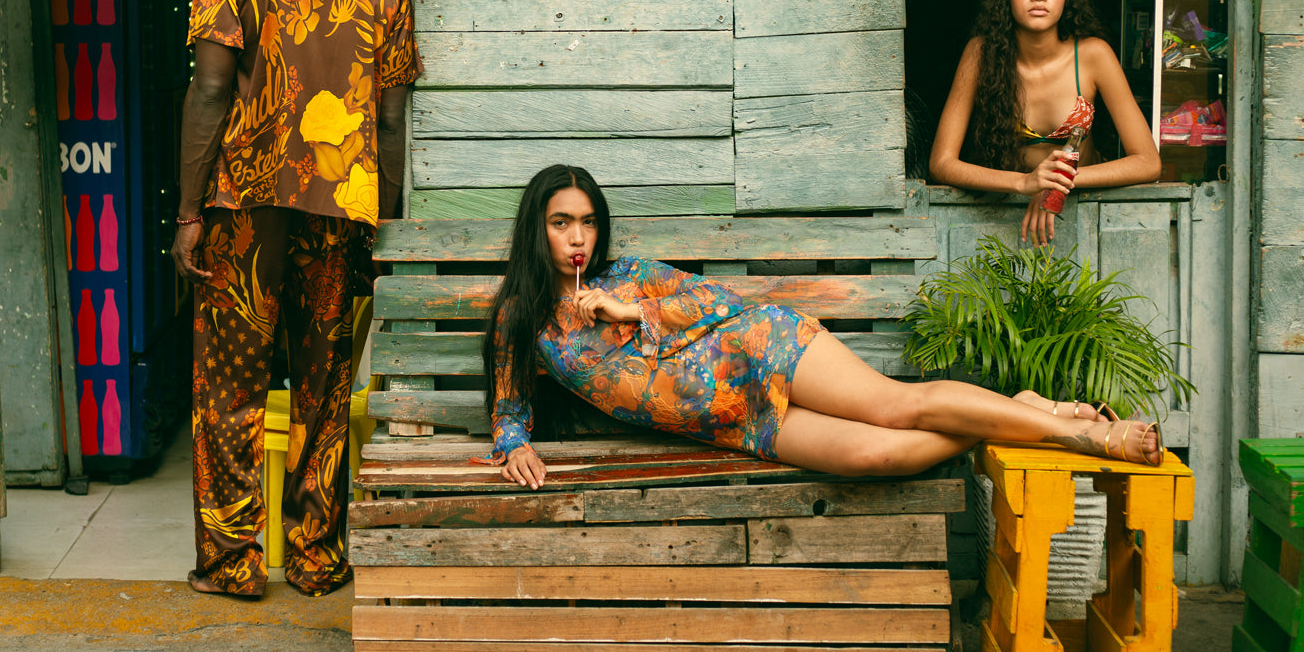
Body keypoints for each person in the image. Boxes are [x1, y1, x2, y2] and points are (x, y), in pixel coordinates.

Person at [480, 165, 1161, 491]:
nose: (577, 238)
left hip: (763, 349)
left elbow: (721, 305)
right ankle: (1008, 411)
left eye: (587, 221)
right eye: (560, 222)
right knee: (877, 457)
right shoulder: (523, 318)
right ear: (535, 228)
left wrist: (638, 312)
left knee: (898, 407)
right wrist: (513, 445)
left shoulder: (628, 275)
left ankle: (1087, 434)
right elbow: (509, 403)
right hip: (732, 422)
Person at [170, 0, 421, 596]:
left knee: (229, 386)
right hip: (342, 207)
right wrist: (390, 225)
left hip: (245, 203)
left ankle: (230, 566)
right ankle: (318, 559)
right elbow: (391, 120)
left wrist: (187, 211)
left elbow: (210, 90)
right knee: (322, 384)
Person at [929, 0, 1160, 246]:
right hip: (999, 220)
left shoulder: (1094, 55)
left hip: (1085, 217)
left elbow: (1147, 162)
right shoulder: (980, 54)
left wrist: (1055, 181)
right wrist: (1025, 182)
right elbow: (942, 163)